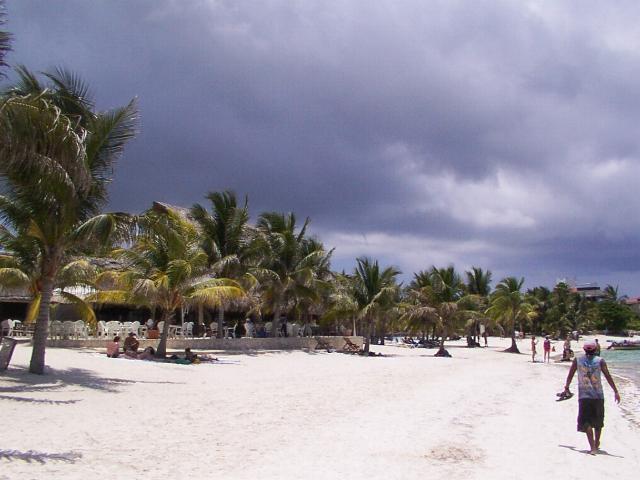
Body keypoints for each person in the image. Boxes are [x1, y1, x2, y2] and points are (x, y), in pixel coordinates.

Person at [563, 341, 621, 455]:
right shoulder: (600, 361)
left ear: (584, 350)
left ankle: (593, 447)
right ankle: (597, 442)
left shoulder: (578, 360)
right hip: (598, 395)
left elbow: (570, 374)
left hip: (584, 396)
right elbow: (608, 376)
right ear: (595, 350)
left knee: (586, 421)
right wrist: (616, 391)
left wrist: (567, 386)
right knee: (598, 420)